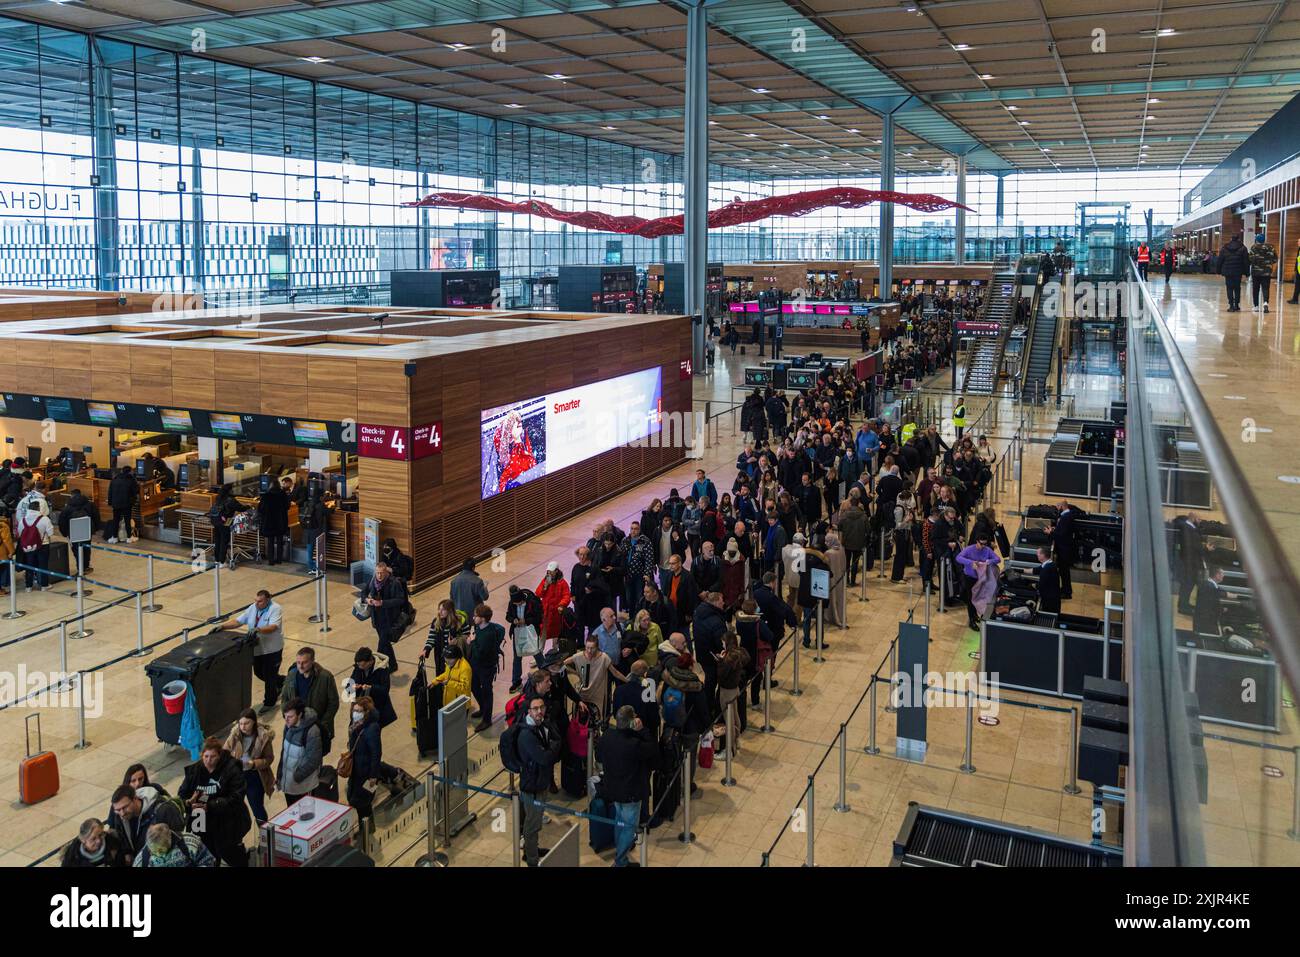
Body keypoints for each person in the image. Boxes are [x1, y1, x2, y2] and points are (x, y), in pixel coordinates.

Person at [595, 705, 659, 867]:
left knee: (619, 820)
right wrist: (642, 730)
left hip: (613, 789)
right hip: (631, 793)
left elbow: (599, 757)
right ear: (631, 722)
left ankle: (621, 852)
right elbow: (652, 749)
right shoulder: (634, 744)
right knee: (629, 827)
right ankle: (621, 861)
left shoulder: (608, 736)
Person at [177, 735, 252, 867]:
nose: (208, 761)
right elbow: (182, 794)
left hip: (226, 821)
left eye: (213, 757)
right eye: (206, 756)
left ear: (220, 755)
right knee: (207, 854)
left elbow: (236, 797)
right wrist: (189, 802)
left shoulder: (231, 769)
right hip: (200, 821)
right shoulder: (195, 771)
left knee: (229, 852)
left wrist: (211, 806)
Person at [219, 588, 284, 712]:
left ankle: (270, 702)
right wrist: (222, 626)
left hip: (272, 649)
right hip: (257, 648)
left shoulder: (276, 609)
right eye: (256, 601)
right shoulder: (253, 608)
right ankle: (282, 681)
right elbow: (238, 621)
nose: (257, 603)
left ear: (268, 600)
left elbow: (273, 627)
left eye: (260, 601)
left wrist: (258, 629)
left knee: (269, 677)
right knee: (259, 673)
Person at [517, 696, 562, 866]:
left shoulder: (542, 725)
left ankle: (532, 850)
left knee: (536, 821)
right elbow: (544, 758)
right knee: (532, 825)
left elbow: (556, 742)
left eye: (541, 707)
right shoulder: (526, 735)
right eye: (535, 708)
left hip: (541, 782)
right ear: (528, 711)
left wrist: (552, 748)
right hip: (532, 786)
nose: (539, 711)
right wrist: (553, 748)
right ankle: (532, 860)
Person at [659, 652, 709, 794]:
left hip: (671, 723)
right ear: (691, 666)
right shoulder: (696, 685)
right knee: (690, 757)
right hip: (690, 726)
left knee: (672, 755)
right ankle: (687, 786)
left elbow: (662, 698)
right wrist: (707, 728)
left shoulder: (669, 678)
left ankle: (672, 784)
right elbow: (702, 710)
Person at [279, 647, 340, 756]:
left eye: (304, 662)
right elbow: (285, 698)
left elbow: (333, 703)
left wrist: (322, 724)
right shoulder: (292, 675)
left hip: (316, 728)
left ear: (312, 661)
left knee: (314, 760)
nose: (300, 666)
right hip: (295, 726)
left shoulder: (325, 677)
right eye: (298, 662)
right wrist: (287, 716)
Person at [223, 709, 275, 824]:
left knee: (257, 808)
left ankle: (265, 836)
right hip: (237, 775)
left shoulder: (263, 737)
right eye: (241, 723)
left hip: (254, 776)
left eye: (247, 723)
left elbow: (269, 758)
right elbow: (224, 752)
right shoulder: (235, 734)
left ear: (254, 722)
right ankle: (238, 839)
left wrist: (254, 764)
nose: (243, 727)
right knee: (235, 808)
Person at [361, 560, 409, 677]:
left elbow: (400, 600)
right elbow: (363, 593)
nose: (379, 575)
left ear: (386, 572)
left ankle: (375, 667)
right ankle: (392, 664)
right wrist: (367, 600)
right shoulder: (373, 581)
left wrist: (383, 603)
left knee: (381, 644)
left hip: (389, 619)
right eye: (377, 573)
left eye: (382, 573)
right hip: (377, 618)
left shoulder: (394, 583)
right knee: (386, 643)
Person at [565, 633, 626, 717]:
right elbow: (563, 664)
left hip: (598, 692)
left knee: (598, 717)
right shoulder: (578, 656)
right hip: (582, 692)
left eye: (592, 648)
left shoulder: (604, 658)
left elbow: (615, 672)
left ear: (597, 647)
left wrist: (627, 680)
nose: (589, 651)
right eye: (587, 648)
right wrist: (575, 674)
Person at [276, 698, 322, 806]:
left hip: (304, 787)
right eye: (285, 716)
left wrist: (296, 777)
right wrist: (280, 776)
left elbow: (313, 760)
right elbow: (284, 752)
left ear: (300, 715)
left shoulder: (312, 731)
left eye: (290, 717)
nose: (286, 720)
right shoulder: (288, 727)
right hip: (289, 786)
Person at [467, 603, 505, 731]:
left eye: (475, 616)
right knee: (474, 686)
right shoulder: (479, 627)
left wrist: (472, 641)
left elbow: (480, 654)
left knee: (487, 691)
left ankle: (487, 719)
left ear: (482, 618)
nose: (473, 618)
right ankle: (483, 708)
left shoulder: (488, 635)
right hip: (476, 665)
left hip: (485, 667)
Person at [344, 696, 383, 822]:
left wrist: (373, 775)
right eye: (354, 710)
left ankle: (367, 830)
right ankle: (364, 828)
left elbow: (376, 754)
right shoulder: (355, 725)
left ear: (366, 712)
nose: (355, 714)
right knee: (355, 800)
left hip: (365, 773)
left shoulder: (371, 728)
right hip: (356, 770)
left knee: (364, 803)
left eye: (359, 711)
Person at [955, 535, 1001, 631]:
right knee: (971, 599)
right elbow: (958, 558)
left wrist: (988, 561)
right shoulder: (969, 549)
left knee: (978, 597)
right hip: (969, 578)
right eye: (981, 544)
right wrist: (971, 563)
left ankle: (975, 615)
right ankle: (971, 620)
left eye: (985, 544)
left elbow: (998, 559)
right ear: (977, 541)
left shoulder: (987, 550)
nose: (983, 546)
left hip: (981, 579)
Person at [505, 583, 545, 693]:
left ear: (522, 599)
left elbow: (539, 618)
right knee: (517, 657)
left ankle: (546, 674)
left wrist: (526, 621)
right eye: (515, 604)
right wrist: (513, 620)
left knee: (536, 653)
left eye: (519, 603)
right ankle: (516, 681)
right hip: (518, 632)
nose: (517, 605)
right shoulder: (512, 603)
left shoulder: (532, 601)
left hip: (531, 631)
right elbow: (508, 615)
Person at [349, 646, 397, 736]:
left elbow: (385, 690)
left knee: (371, 734)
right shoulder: (359, 667)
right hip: (360, 706)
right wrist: (353, 686)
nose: (360, 667)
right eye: (358, 665)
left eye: (363, 665)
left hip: (376, 707)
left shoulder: (382, 669)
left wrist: (371, 687)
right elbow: (351, 682)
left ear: (370, 661)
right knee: (354, 731)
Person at [716, 631, 752, 736]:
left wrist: (720, 661)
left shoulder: (729, 658)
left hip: (726, 691)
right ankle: (737, 738)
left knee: (729, 719)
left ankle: (731, 745)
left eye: (723, 642)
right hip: (735, 689)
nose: (722, 644)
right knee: (735, 715)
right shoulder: (739, 653)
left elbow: (721, 675)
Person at [132, 823, 216, 868]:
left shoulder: (190, 843)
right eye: (152, 851)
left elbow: (208, 861)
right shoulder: (143, 858)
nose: (157, 854)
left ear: (170, 840)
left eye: (160, 850)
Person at [14, 497, 53, 591]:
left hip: (28, 547)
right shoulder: (44, 519)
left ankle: (28, 586)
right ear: (39, 509)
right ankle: (44, 585)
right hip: (43, 545)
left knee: (29, 565)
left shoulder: (23, 520)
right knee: (43, 565)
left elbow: (20, 533)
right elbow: (51, 532)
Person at [57, 488, 99, 574]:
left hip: (73, 532)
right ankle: (86, 566)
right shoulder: (90, 504)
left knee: (76, 549)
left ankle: (80, 568)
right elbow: (96, 517)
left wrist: (64, 533)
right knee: (86, 548)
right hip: (86, 530)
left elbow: (61, 522)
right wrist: (94, 529)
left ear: (71, 495)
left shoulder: (67, 508)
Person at [421, 598, 467, 674]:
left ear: (450, 611)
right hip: (441, 658)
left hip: (455, 658)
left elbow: (467, 638)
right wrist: (426, 650)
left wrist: (456, 641)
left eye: (443, 610)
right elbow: (431, 638)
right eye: (439, 609)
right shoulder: (436, 622)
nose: (440, 612)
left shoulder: (460, 622)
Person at [61, 818, 129, 868]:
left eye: (101, 835)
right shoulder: (73, 855)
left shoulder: (113, 843)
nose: (99, 841)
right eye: (93, 839)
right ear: (83, 840)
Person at [1174, 513, 1204, 615]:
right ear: (1193, 518)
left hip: (1188, 563)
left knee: (1187, 585)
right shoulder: (1188, 529)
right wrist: (1206, 549)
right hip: (1189, 564)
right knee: (1187, 585)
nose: (1200, 521)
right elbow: (1194, 547)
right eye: (1199, 519)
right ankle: (1183, 607)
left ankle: (1184, 604)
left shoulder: (1189, 528)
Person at [257, 477, 290, 565]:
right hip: (280, 521)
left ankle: (271, 560)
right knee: (280, 541)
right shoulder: (283, 494)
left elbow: (260, 509)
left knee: (270, 541)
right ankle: (279, 559)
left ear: (270, 486)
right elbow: (287, 506)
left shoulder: (266, 495)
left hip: (269, 522)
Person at [430, 642, 473, 707]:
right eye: (446, 658)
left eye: (450, 658)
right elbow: (446, 674)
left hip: (460, 704)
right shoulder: (450, 663)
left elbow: (464, 687)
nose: (447, 660)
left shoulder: (465, 668)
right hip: (449, 700)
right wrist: (436, 681)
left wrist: (449, 683)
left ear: (457, 657)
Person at [1050, 500, 1077, 600]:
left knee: (1064, 572)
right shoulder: (1067, 515)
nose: (1057, 508)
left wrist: (1051, 533)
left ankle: (1067, 592)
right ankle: (1065, 589)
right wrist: (1054, 529)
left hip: (1064, 549)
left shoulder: (1066, 517)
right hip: (1065, 548)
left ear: (1062, 506)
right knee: (1063, 571)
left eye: (1058, 506)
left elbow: (1061, 535)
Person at [106, 465, 139, 543]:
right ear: (130, 472)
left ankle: (114, 537)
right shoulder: (131, 480)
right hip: (126, 504)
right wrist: (133, 501)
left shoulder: (114, 479)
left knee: (116, 520)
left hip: (116, 504)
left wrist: (110, 502)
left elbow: (110, 492)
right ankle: (129, 538)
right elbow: (135, 491)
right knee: (127, 521)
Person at [1217, 233, 1250, 312]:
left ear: (1231, 239)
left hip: (1227, 271)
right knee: (1237, 288)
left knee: (1229, 288)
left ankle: (1231, 305)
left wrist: (1218, 270)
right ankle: (1236, 305)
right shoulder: (1243, 248)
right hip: (1238, 271)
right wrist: (1247, 272)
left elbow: (1220, 260)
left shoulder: (1224, 248)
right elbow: (1246, 261)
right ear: (1238, 239)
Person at [450, 557, 489, 621]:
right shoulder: (478, 581)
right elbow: (485, 597)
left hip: (460, 614)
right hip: (475, 614)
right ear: (473, 568)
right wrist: (485, 586)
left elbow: (452, 599)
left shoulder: (454, 581)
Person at [209, 484, 239, 566]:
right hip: (226, 521)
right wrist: (248, 506)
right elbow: (240, 508)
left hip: (215, 521)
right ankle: (222, 561)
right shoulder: (231, 500)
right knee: (224, 541)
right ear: (229, 490)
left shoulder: (218, 497)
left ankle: (217, 560)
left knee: (218, 541)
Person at [300, 487, 328, 574]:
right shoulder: (320, 505)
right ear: (320, 496)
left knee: (309, 549)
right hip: (317, 530)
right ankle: (317, 568)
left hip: (308, 529)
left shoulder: (308, 503)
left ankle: (311, 567)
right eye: (323, 495)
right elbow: (328, 512)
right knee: (319, 549)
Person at [1249, 231, 1278, 312]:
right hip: (1267, 272)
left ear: (1257, 240)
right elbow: (1275, 258)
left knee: (1256, 289)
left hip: (1256, 272)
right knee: (1265, 288)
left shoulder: (1254, 247)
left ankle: (1256, 306)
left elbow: (1250, 258)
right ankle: (1265, 303)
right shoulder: (1271, 247)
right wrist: (1269, 263)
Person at [1193, 566, 1226, 637]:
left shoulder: (1211, 585)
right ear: (1217, 575)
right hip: (1205, 621)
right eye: (1222, 574)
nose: (1223, 576)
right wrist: (1221, 609)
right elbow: (1210, 605)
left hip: (1204, 619)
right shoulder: (1209, 586)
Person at [1035, 546, 1061, 615]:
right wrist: (1019, 570)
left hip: (1050, 600)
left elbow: (1041, 585)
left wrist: (1033, 586)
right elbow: (1035, 570)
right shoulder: (1049, 564)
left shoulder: (1046, 569)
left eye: (1038, 553)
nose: (1036, 555)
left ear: (1043, 555)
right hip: (1054, 597)